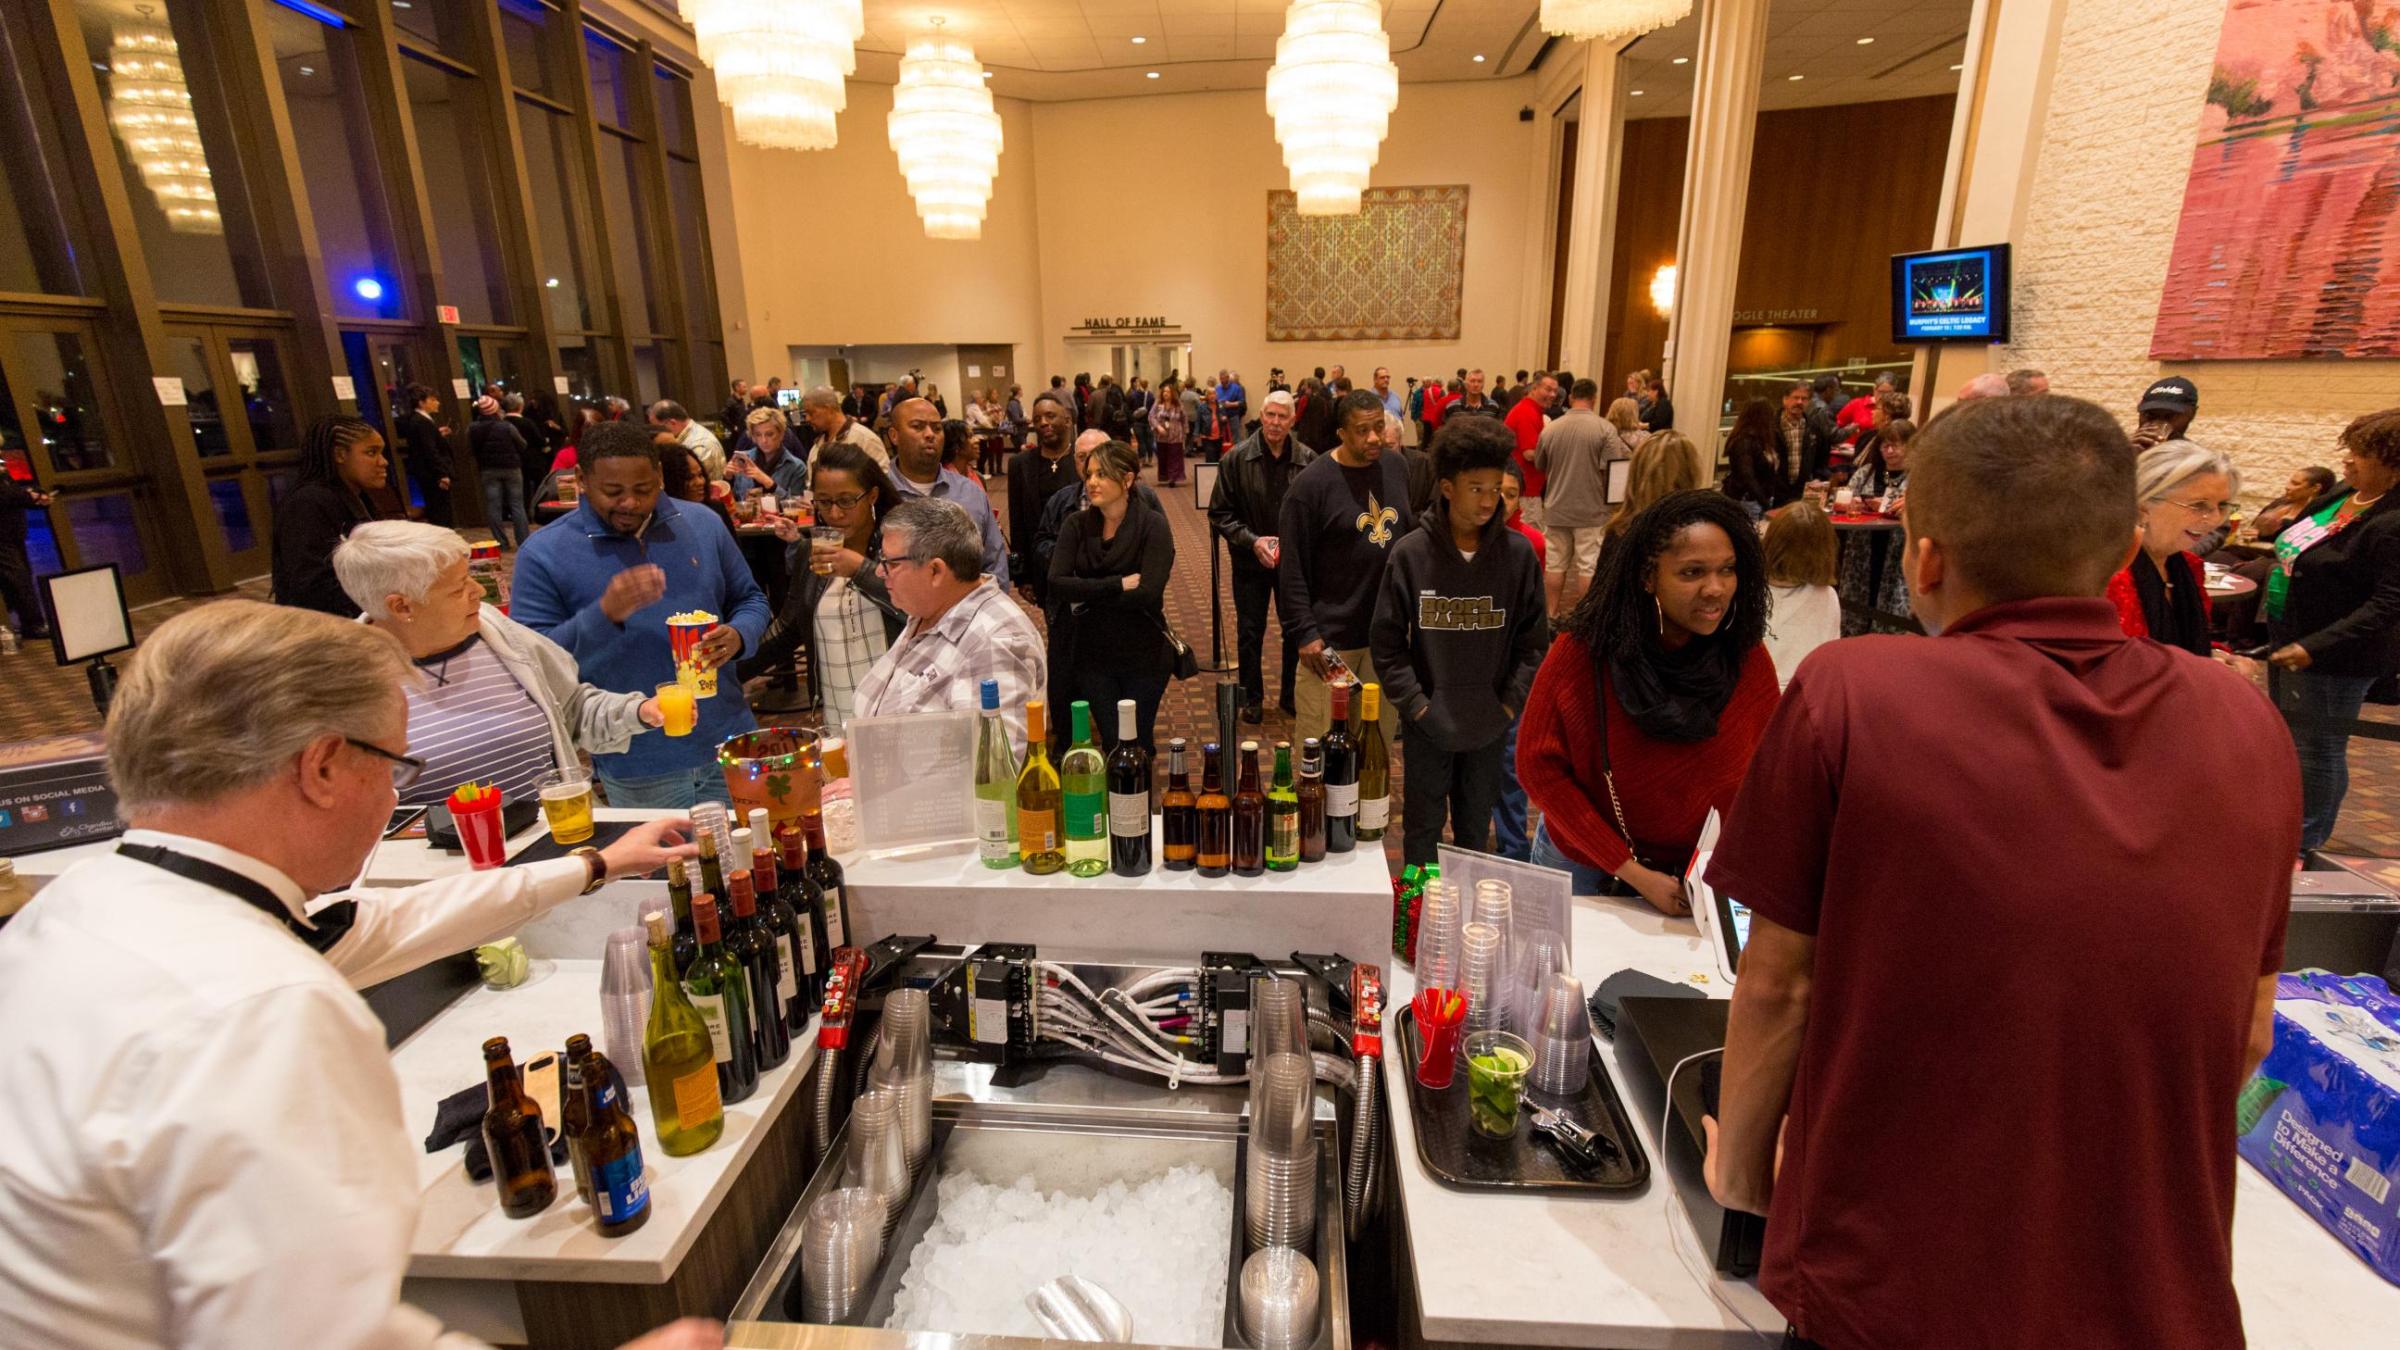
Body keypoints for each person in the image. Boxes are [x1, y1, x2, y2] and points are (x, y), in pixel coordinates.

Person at [1699, 394, 2297, 1349]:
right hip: (2156, 1289)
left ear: (1925, 559)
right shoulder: (2247, 723)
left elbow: (1781, 985)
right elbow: (2249, 1027)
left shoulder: (1854, 688)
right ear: (2121, 551)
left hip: (1893, 1284)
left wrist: (1739, 1173)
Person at [0, 599, 717, 1350]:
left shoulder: (74, 908)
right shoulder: (264, 1010)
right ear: (322, 767)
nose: (396, 796)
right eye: (396, 766)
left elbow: (385, 923)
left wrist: (595, 864)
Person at [1518, 489, 1780, 912]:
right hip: (1588, 861)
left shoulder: (1745, 656)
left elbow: (1767, 773)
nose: (1715, 588)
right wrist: (1632, 872)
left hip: (1698, 875)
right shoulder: (1585, 652)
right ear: (1648, 577)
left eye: (1727, 569)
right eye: (1692, 572)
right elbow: (1538, 767)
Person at [509, 420, 769, 808]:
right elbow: (533, 665)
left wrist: (739, 635)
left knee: (750, 845)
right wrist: (604, 614)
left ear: (660, 476)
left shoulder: (702, 523)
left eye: (643, 489)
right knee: (663, 852)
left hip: (729, 737)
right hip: (638, 760)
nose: (629, 502)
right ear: (581, 479)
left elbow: (751, 599)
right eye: (613, 492)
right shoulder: (543, 553)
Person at [335, 521, 667, 803]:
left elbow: (573, 711)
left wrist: (638, 712)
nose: (479, 591)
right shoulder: (342, 688)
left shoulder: (498, 632)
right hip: (444, 862)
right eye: (459, 588)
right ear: (401, 607)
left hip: (558, 843)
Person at [1371, 418, 1547, 867]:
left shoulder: (1518, 555)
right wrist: (1417, 706)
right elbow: (1387, 643)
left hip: (1489, 723)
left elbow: (1533, 643)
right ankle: (1415, 913)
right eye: (1476, 489)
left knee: (1474, 832)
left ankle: (1466, 911)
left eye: (1496, 489)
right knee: (1422, 831)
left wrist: (1507, 705)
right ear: (1448, 488)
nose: (1489, 501)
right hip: (1428, 724)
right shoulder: (1411, 554)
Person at [2264, 408, 2400, 856]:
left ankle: (2306, 843)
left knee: (2319, 748)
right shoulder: (2344, 492)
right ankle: (2284, 825)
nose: (2347, 461)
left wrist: (2313, 646)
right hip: (2292, 633)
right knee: (2290, 741)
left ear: (2393, 465)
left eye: (2360, 454)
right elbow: (2307, 538)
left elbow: (2388, 603)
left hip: (2334, 653)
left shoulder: (2393, 521)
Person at [855, 498, 1046, 754]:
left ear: (935, 571)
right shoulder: (932, 608)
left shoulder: (994, 643)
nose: (880, 571)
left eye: (891, 563)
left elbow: (998, 768)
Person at [1280, 389, 1415, 745]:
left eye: (1378, 427)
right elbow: (1291, 569)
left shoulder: (1396, 467)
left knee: (1375, 744)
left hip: (1385, 638)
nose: (1374, 438)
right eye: (1362, 430)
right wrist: (1305, 633)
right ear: (1341, 433)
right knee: (1320, 743)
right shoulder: (1310, 486)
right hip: (1330, 644)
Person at [743, 443, 904, 733]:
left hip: (899, 710)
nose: (835, 513)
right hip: (838, 713)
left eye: (846, 501)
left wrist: (858, 569)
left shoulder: (899, 548)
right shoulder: (812, 552)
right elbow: (789, 628)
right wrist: (730, 669)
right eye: (824, 501)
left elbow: (917, 609)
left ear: (872, 496)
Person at [1048, 441, 1176, 755]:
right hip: (1092, 655)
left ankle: (1141, 788)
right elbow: (1057, 584)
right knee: (1112, 743)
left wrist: (1085, 595)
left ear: (1127, 479)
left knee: (1138, 742)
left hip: (1143, 654)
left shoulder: (1153, 525)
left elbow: (1148, 594)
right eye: (1089, 474)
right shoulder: (1076, 524)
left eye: (1102, 474)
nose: (1091, 482)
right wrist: (1117, 584)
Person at [1212, 390, 1314, 722]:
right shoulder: (1236, 458)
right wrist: (1254, 542)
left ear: (1292, 420)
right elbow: (1220, 514)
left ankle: (1291, 696)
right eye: (1270, 415)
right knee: (1250, 632)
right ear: (1261, 415)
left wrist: (1292, 545)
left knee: (1294, 630)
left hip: (1292, 564)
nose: (1275, 422)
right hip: (1249, 560)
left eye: (1282, 416)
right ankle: (1251, 697)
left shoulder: (1308, 459)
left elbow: (1317, 514)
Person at [2105, 440, 2238, 657]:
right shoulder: (2108, 570)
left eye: (2222, 506)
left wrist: (2218, 655)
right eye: (2198, 505)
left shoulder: (2189, 565)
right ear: (2143, 506)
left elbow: (2186, 640)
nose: (2214, 519)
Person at [273, 414, 399, 618]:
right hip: (322, 624)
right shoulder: (308, 502)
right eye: (371, 452)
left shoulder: (356, 496)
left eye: (381, 453)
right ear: (340, 455)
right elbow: (312, 584)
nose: (383, 462)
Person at [886, 396, 1009, 588]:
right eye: (918, 426)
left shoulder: (970, 493)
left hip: (968, 605)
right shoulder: (877, 495)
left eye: (937, 428)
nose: (930, 434)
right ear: (894, 435)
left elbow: (994, 564)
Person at [1532, 377, 1626, 617]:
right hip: (1591, 509)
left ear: (1572, 397)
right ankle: (1584, 616)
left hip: (1556, 507)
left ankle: (1551, 614)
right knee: (1588, 565)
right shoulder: (1605, 429)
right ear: (1594, 398)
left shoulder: (1550, 428)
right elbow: (1613, 469)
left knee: (1555, 564)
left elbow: (1540, 464)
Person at [1760, 501, 1841, 690]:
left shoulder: (1744, 587)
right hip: (1802, 693)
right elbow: (1827, 664)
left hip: (1753, 692)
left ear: (1770, 541)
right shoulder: (1826, 596)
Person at [1008, 393, 1080, 598]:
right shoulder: (1020, 464)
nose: (1043, 423)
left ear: (1067, 421)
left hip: (1081, 563)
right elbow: (1017, 522)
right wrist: (1022, 576)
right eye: (1037, 419)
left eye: (1050, 416)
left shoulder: (1083, 460)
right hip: (1042, 564)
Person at [468, 395, 532, 550]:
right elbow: (522, 444)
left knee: (493, 506)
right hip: (511, 468)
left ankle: (501, 543)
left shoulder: (472, 428)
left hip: (488, 469)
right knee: (517, 504)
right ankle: (523, 541)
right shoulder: (507, 426)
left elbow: (471, 450)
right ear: (496, 409)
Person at [1502, 372, 1558, 530]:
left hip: (1527, 488)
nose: (1553, 395)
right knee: (1531, 534)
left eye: (1555, 391)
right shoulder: (1527, 412)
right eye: (1548, 389)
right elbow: (1530, 453)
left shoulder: (1531, 410)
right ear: (1534, 389)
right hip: (1526, 490)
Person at [396, 383, 455, 527]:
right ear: (421, 403)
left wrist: (437, 434)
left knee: (438, 508)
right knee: (441, 510)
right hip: (432, 474)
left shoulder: (418, 420)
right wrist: (442, 473)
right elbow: (429, 450)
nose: (437, 403)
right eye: (433, 400)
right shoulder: (422, 421)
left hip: (427, 473)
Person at [1721, 399, 1792, 517]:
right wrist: (1765, 504)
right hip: (1748, 501)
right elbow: (1747, 477)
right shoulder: (1744, 442)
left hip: (1759, 499)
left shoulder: (1763, 441)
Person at [730, 405, 810, 503]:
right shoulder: (744, 460)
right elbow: (736, 500)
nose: (764, 440)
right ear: (753, 437)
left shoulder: (796, 467)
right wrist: (727, 479)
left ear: (781, 434)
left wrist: (770, 484)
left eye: (769, 434)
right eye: (758, 435)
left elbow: (798, 506)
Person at [803, 385, 889, 475]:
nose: (807, 419)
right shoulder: (816, 448)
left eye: (811, 413)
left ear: (828, 409)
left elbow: (883, 479)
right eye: (806, 414)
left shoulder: (865, 439)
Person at [660, 441, 737, 536]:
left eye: (700, 475)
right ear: (670, 481)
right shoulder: (662, 520)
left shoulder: (716, 510)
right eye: (689, 477)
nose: (700, 482)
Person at [647, 400, 724, 481]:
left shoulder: (699, 444)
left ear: (672, 423)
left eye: (657, 427)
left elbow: (687, 482)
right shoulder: (686, 436)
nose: (656, 432)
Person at [1779, 379, 1835, 490]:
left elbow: (1822, 461)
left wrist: (1818, 478)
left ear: (1809, 402)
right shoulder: (1772, 426)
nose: (1799, 402)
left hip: (1803, 490)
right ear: (1785, 399)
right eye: (1795, 397)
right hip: (1775, 491)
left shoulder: (1815, 429)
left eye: (1804, 399)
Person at [1848, 415, 1915, 502]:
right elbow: (1845, 497)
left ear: (1909, 446)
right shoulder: (1865, 472)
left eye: (1895, 446)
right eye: (1885, 446)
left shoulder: (1918, 477)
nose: (1890, 451)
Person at [2131, 375, 2199, 450]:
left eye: (2169, 416)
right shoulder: (2128, 449)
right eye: (2150, 415)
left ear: (2191, 414)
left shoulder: (2195, 456)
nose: (2157, 425)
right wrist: (2127, 453)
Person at [1151, 376, 1190, 486]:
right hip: (1162, 437)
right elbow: (1151, 416)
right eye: (1164, 392)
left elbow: (1184, 418)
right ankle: (1165, 477)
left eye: (1168, 392)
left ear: (1172, 393)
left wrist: (1185, 432)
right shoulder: (1158, 404)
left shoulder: (1178, 405)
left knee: (1174, 457)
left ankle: (1173, 478)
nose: (1166, 394)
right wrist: (1158, 427)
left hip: (1176, 436)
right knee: (1163, 457)